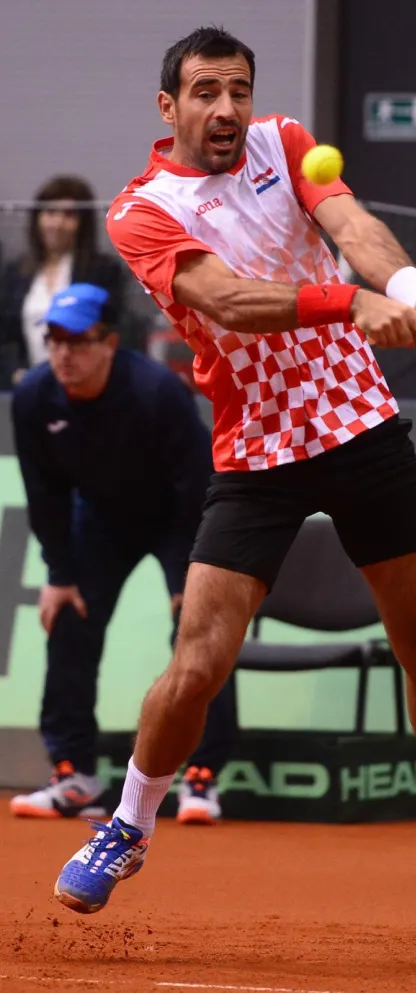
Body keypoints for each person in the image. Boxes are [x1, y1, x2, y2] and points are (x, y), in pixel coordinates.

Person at [53, 26, 416, 960]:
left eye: (239, 91)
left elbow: (351, 229)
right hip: (256, 449)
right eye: (206, 93)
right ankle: (131, 821)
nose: (226, 110)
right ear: (168, 107)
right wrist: (352, 304)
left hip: (360, 426)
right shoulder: (139, 211)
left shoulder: (289, 143)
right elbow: (223, 298)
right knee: (199, 660)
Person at [11, 282, 237, 827]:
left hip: (178, 520)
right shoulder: (34, 397)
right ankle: (73, 773)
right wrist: (60, 573)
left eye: (78, 341)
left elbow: (197, 482)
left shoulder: (157, 391)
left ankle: (201, 776)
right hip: (102, 520)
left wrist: (191, 569)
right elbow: (44, 493)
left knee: (200, 630)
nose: (63, 353)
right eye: (54, 340)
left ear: (110, 342)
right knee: (67, 617)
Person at [0, 176, 124, 388]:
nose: (57, 223)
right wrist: (16, 373)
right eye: (50, 212)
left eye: (68, 215)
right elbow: (7, 334)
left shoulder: (102, 269)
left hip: (87, 383)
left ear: (82, 223)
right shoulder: (16, 271)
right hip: (29, 384)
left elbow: (112, 328)